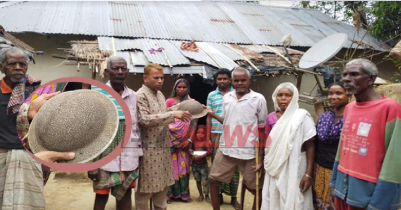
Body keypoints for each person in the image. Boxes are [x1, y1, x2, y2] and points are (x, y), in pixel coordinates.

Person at [0, 47, 72, 210]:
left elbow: (47, 127)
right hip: (1, 157)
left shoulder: (39, 92)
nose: (18, 67)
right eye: (12, 63)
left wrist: (45, 160)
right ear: (1, 67)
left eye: (22, 63)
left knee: (29, 204)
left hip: (30, 158)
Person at [330, 58, 401, 210]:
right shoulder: (349, 108)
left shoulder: (390, 108)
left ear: (371, 79)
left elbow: (394, 161)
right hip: (343, 191)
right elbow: (342, 149)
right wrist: (334, 183)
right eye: (345, 74)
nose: (346, 79)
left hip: (370, 194)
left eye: (354, 74)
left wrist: (380, 202)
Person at [87, 56, 142, 210]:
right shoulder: (98, 95)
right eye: (115, 68)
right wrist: (92, 163)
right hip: (104, 158)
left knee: (125, 196)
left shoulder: (133, 96)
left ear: (128, 72)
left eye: (123, 68)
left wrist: (138, 155)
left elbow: (137, 127)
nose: (119, 72)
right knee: (101, 196)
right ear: (107, 71)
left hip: (128, 158)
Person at [208, 67, 267, 210]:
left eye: (243, 80)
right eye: (237, 80)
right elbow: (228, 120)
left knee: (257, 189)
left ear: (249, 81)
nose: (240, 83)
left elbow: (261, 128)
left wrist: (260, 154)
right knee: (213, 181)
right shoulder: (227, 97)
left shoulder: (258, 99)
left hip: (249, 152)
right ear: (232, 82)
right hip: (227, 148)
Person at [135, 63, 191, 210]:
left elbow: (164, 111)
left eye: (162, 78)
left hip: (164, 148)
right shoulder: (140, 95)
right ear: (145, 78)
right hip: (149, 151)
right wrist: (172, 114)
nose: (160, 81)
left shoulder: (159, 94)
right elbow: (144, 119)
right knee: (145, 190)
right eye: (156, 78)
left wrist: (191, 107)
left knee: (162, 188)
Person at [261, 82, 316, 210]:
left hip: (296, 164)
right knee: (274, 194)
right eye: (280, 95)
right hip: (275, 164)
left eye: (288, 95)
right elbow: (268, 144)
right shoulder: (271, 117)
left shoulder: (302, 116)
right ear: (275, 98)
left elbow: (310, 146)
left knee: (296, 196)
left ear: (294, 97)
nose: (283, 98)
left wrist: (308, 173)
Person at [206, 68, 240, 208]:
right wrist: (207, 137)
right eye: (219, 79)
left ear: (230, 80)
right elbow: (208, 116)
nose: (222, 81)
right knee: (217, 167)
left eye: (225, 78)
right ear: (216, 80)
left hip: (233, 135)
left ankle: (233, 197)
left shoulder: (236, 94)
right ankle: (218, 196)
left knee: (235, 167)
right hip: (215, 134)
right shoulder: (212, 95)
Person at [313, 82, 349, 210]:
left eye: (339, 93)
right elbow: (317, 143)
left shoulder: (351, 119)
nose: (334, 96)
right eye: (330, 93)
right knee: (319, 200)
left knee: (336, 203)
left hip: (339, 170)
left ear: (348, 95)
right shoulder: (324, 116)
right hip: (320, 166)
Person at [165, 78, 195, 203]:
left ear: (188, 89)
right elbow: (164, 121)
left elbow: (194, 122)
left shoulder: (192, 103)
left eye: (184, 87)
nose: (181, 89)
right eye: (179, 87)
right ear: (175, 88)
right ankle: (169, 195)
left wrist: (189, 139)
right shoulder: (168, 102)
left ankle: (183, 195)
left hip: (185, 140)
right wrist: (172, 139)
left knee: (184, 168)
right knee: (170, 168)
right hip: (170, 140)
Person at [191, 125, 212, 203]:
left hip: (203, 166)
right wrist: (191, 152)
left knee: (205, 182)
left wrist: (200, 156)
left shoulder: (206, 142)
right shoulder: (193, 141)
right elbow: (190, 149)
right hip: (194, 165)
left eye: (202, 133)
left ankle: (207, 195)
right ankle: (200, 195)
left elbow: (209, 152)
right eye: (198, 133)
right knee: (198, 181)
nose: (200, 134)